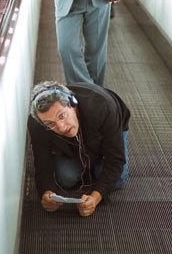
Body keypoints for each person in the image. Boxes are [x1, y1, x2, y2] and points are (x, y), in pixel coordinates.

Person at [27, 81, 130, 217]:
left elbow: (115, 160)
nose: (62, 127)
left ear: (73, 105)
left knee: (117, 179)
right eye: (50, 124)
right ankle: (89, 161)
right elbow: (42, 163)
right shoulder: (37, 123)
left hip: (109, 126)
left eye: (62, 116)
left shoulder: (102, 107)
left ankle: (92, 161)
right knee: (66, 178)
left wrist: (95, 197)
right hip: (73, 141)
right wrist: (46, 192)